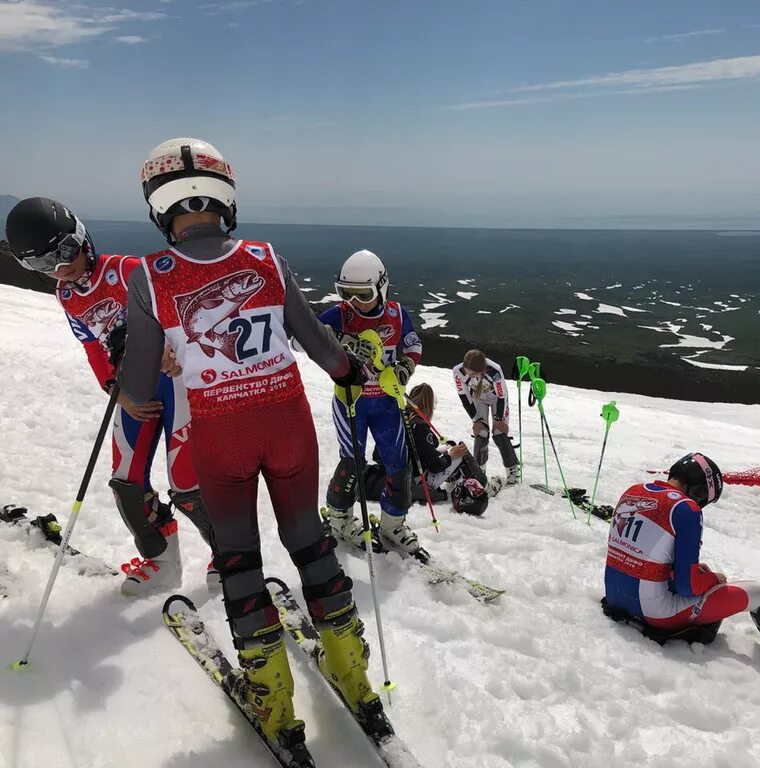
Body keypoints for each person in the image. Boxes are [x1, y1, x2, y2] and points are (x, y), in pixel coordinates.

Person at [117, 137, 382, 757]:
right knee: (310, 543)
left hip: (220, 437)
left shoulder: (148, 277)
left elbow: (137, 385)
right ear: (225, 197)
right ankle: (352, 671)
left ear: (160, 209)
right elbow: (321, 346)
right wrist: (350, 375)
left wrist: (142, 393)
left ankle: (271, 696)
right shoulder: (265, 256)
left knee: (238, 560)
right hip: (289, 427)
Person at [4, 197, 215, 596]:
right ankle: (162, 560)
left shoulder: (129, 271)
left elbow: (189, 315)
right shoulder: (67, 296)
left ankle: (227, 552)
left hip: (177, 384)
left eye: (64, 252)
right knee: (126, 484)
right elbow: (93, 348)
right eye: (43, 265)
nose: (61, 268)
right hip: (134, 390)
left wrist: (176, 345)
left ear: (81, 238)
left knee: (187, 481)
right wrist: (116, 393)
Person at [603, 453, 760, 653]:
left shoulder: (633, 491)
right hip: (654, 611)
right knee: (759, 593)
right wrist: (714, 579)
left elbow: (643, 552)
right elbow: (688, 586)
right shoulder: (687, 509)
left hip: (615, 595)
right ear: (698, 491)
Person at [319, 250, 425, 555]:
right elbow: (303, 339)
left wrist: (406, 366)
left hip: (387, 403)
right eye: (345, 293)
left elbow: (413, 343)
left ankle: (393, 523)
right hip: (352, 400)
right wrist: (341, 343)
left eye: (361, 294)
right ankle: (340, 517)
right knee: (353, 461)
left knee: (397, 463)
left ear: (381, 287)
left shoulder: (396, 313)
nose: (352, 301)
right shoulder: (340, 315)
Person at [361, 384, 489, 515]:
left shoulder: (398, 419)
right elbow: (435, 466)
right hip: (415, 478)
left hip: (391, 473)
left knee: (449, 446)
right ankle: (480, 485)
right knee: (459, 452)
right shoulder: (420, 426)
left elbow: (377, 455)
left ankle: (458, 482)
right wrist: (451, 456)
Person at [453, 349, 520, 490]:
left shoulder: (494, 370)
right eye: (467, 372)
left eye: (473, 374)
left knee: (499, 433)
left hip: (497, 399)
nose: (469, 375)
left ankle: (513, 471)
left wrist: (499, 419)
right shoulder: (458, 371)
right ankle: (479, 472)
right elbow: (464, 397)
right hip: (478, 398)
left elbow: (502, 396)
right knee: (481, 433)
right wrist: (476, 420)